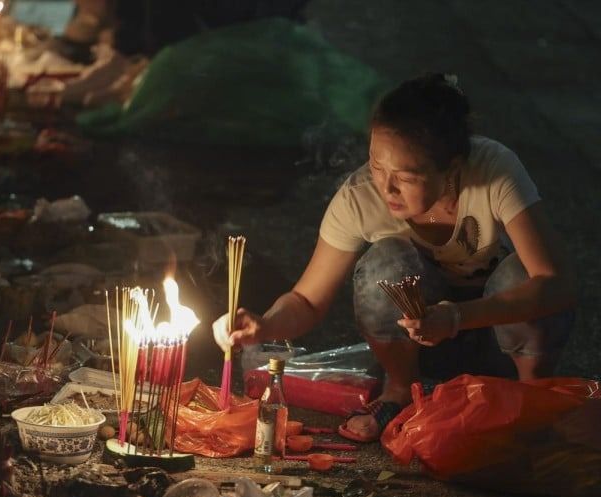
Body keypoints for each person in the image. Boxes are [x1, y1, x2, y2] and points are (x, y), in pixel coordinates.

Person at [212, 73, 577, 442]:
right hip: (419, 346)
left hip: (502, 341)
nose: (385, 187)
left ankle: (531, 397)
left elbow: (555, 284)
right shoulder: (360, 198)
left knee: (521, 274)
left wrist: (455, 317)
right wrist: (264, 327)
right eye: (376, 165)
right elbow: (307, 300)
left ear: (451, 168)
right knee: (382, 264)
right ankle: (401, 391)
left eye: (405, 176)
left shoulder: (493, 170)